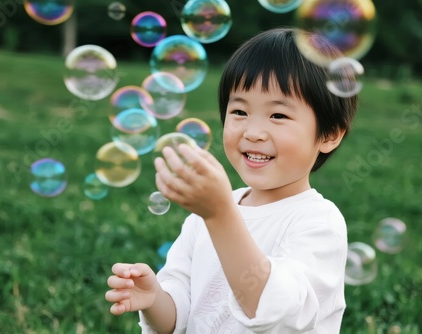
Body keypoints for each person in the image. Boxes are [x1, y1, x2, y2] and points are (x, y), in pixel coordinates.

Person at [105, 27, 358, 333]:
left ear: (329, 134)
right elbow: (181, 312)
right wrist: (154, 299)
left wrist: (220, 214)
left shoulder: (318, 222)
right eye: (239, 111)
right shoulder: (208, 215)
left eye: (278, 115)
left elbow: (275, 309)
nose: (252, 131)